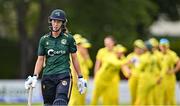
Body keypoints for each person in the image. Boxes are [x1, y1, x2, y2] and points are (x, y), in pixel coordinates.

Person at [24, 9, 87, 105]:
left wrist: (80, 77)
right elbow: (40, 59)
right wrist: (35, 76)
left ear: (63, 23)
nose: (56, 24)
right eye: (54, 21)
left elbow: (74, 58)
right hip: (48, 76)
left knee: (60, 102)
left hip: (64, 75)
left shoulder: (69, 39)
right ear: (51, 21)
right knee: (48, 104)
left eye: (58, 21)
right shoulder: (44, 40)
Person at [69, 34, 93, 105]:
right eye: (78, 44)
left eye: (80, 44)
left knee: (82, 99)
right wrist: (76, 80)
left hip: (83, 79)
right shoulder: (74, 54)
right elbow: (73, 67)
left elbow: (90, 65)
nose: (79, 46)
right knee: (74, 99)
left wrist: (86, 56)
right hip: (76, 79)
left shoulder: (83, 54)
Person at [159, 38, 180, 105]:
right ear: (160, 46)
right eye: (162, 46)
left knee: (170, 97)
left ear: (168, 46)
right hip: (160, 78)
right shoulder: (158, 55)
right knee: (161, 97)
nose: (164, 47)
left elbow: (178, 62)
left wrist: (173, 71)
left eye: (165, 46)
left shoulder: (172, 54)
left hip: (169, 78)